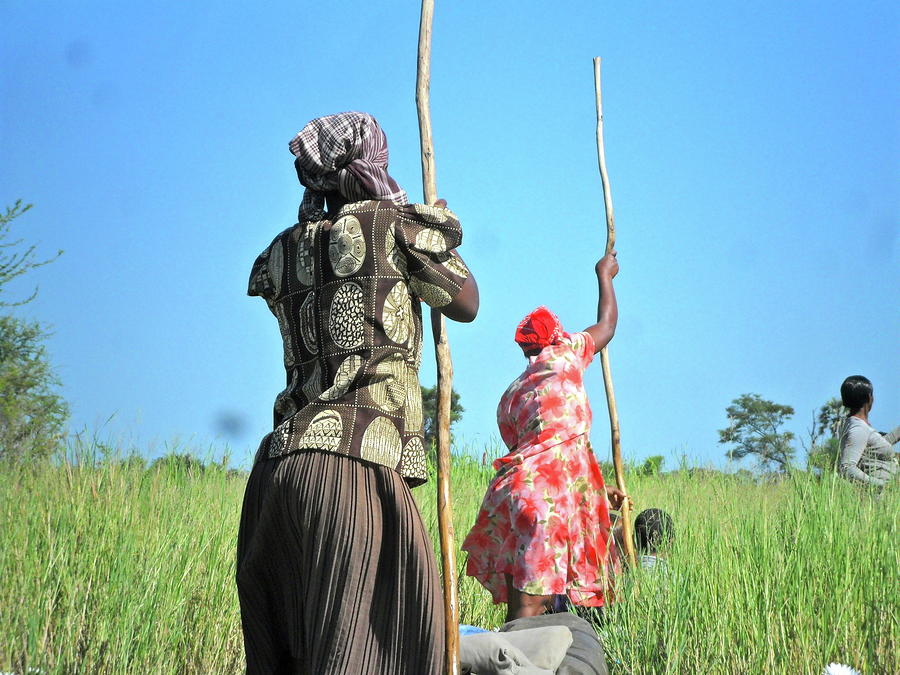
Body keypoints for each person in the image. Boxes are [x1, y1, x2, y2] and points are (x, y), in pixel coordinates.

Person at [236, 112, 479, 674]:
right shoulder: (392, 226)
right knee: (382, 650)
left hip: (277, 473)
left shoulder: (284, 249)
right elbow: (466, 304)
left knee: (292, 658)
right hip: (354, 467)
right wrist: (430, 226)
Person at [462, 252, 624, 623]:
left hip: (512, 495)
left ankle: (513, 658)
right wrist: (605, 275)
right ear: (556, 337)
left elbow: (541, 452)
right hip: (546, 501)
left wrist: (598, 490)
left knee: (523, 603)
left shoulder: (511, 396)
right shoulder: (566, 354)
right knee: (532, 607)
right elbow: (608, 324)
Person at [837, 375, 898, 488]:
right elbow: (847, 468)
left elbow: (875, 448)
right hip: (878, 496)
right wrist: (882, 486)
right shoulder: (858, 429)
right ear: (869, 398)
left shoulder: (856, 426)